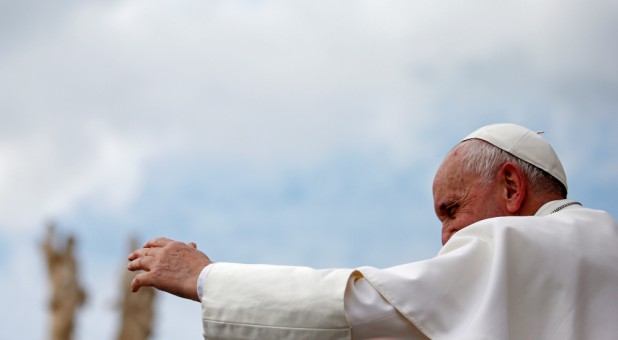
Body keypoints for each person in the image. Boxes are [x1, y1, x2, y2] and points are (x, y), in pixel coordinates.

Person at [127, 123, 618, 339]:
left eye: (451, 210)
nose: (446, 236)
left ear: (511, 189)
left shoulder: (511, 244)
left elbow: (362, 301)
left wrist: (208, 279)